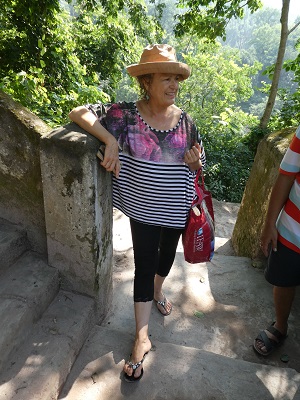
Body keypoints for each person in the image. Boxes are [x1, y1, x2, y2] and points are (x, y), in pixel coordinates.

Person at [69, 43, 206, 381]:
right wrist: (110, 140)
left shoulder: (186, 122)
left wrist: (196, 162)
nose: (174, 85)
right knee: (145, 265)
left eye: (177, 79)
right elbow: (78, 113)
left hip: (176, 208)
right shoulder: (124, 115)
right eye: (166, 79)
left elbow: (199, 162)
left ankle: (160, 291)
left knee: (164, 261)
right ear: (146, 82)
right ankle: (141, 337)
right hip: (142, 208)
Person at [253, 126, 300, 356]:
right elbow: (287, 174)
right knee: (283, 281)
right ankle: (281, 326)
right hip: (293, 229)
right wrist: (269, 224)